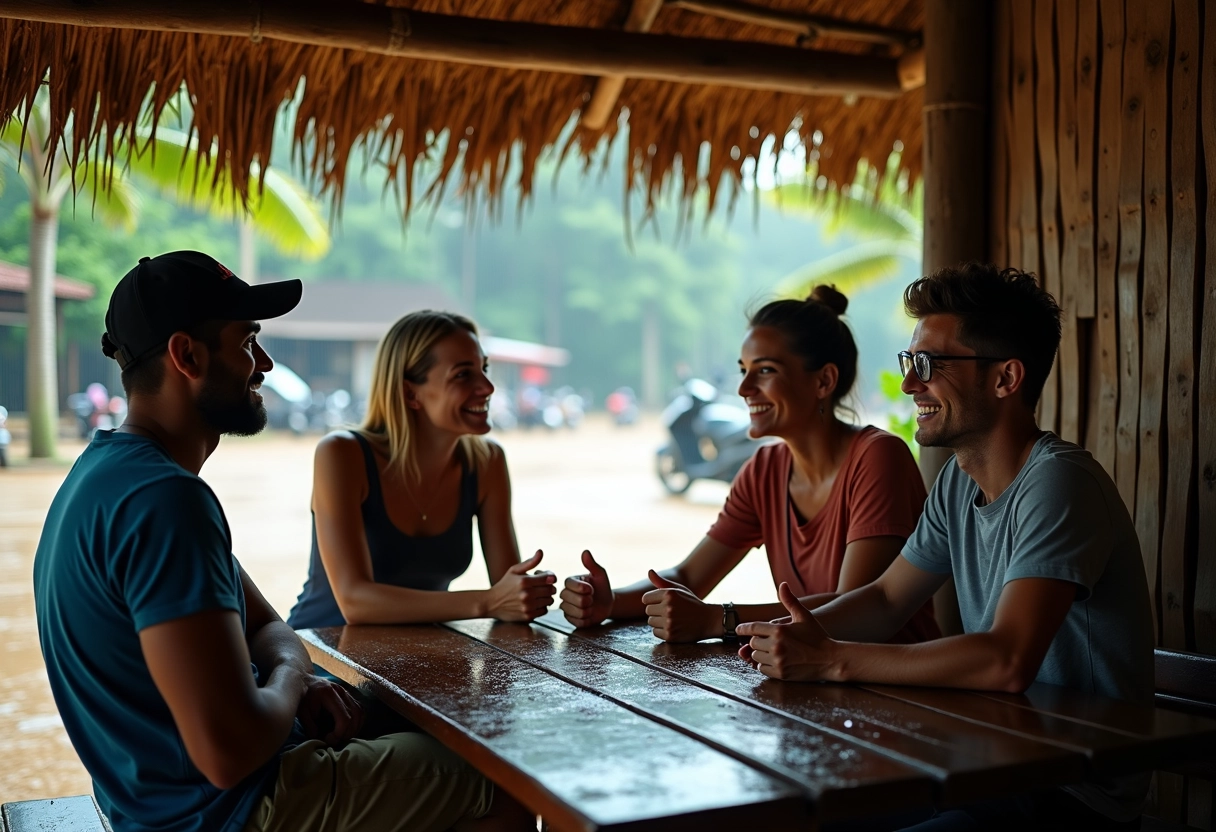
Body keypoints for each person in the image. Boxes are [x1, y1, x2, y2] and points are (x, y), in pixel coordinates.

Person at [33, 252, 531, 832]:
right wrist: (294, 677)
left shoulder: (106, 476)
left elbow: (268, 626)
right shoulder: (166, 501)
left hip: (163, 803)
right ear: (186, 356)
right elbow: (231, 753)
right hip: (230, 809)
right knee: (504, 777)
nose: (265, 364)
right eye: (248, 343)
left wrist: (295, 672)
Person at [738, 265, 1153, 831]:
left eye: (930, 365)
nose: (910, 384)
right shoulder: (959, 481)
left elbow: (1006, 660)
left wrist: (830, 658)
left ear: (1005, 378)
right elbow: (886, 600)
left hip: (1070, 792)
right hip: (988, 764)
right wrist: (787, 634)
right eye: (909, 363)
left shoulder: (1060, 482)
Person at [560, 286, 940, 644]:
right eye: (744, 370)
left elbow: (852, 611)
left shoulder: (877, 458)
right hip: (809, 677)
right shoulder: (764, 470)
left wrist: (718, 620)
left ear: (824, 381)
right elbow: (689, 576)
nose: (744, 389)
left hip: (892, 681)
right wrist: (611, 601)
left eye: (765, 371)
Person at [287, 310, 556, 630]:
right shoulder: (343, 454)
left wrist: (562, 597)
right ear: (410, 393)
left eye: (484, 369)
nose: (487, 387)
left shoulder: (487, 462)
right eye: (463, 375)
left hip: (416, 651)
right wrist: (487, 602)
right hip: (320, 649)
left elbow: (509, 594)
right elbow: (355, 602)